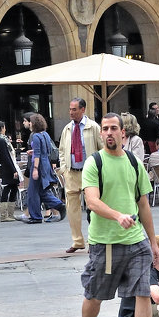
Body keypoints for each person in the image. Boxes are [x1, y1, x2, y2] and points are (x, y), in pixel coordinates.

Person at [78, 112, 159, 317]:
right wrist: (118, 216)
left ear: (122, 134)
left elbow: (144, 204)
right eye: (105, 129)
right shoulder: (94, 162)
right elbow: (92, 201)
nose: (108, 132)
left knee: (143, 293)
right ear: (101, 134)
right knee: (95, 294)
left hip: (136, 240)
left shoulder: (133, 162)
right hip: (105, 243)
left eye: (113, 128)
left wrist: (152, 241)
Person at [58, 98, 103, 253]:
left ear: (83, 109)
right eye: (70, 109)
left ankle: (94, 240)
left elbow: (102, 148)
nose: (71, 112)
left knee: (93, 207)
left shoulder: (93, 127)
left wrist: (99, 168)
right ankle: (77, 241)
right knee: (72, 208)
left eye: (74, 109)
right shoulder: (67, 128)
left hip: (89, 172)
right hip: (72, 172)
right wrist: (64, 168)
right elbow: (62, 150)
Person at [24, 113, 65, 224]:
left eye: (31, 122)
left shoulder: (36, 136)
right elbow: (46, 150)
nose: (30, 124)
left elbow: (37, 154)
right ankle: (59, 205)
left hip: (38, 165)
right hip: (46, 163)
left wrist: (35, 169)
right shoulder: (45, 135)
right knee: (42, 191)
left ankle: (36, 216)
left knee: (32, 191)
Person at [0, 121, 21, 223]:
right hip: (8, 168)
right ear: (2, 128)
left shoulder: (3, 140)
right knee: (7, 188)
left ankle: (10, 214)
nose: (5, 129)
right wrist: (13, 170)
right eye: (4, 127)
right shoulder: (1, 141)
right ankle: (4, 215)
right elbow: (5, 157)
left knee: (14, 187)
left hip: (10, 166)